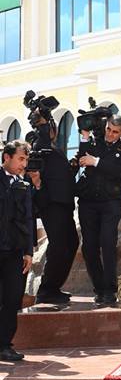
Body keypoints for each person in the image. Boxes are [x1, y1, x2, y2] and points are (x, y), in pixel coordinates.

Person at [76, 116, 121, 307]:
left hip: (110, 204)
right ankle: (99, 289)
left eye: (115, 132)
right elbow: (82, 159)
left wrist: (96, 162)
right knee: (89, 247)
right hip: (88, 202)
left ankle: (110, 290)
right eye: (108, 129)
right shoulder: (95, 143)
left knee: (108, 244)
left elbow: (119, 171)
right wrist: (85, 137)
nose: (110, 134)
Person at [28, 117, 78, 306]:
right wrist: (42, 120)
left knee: (71, 243)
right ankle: (46, 291)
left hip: (64, 204)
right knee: (58, 246)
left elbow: (58, 177)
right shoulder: (42, 146)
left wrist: (72, 169)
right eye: (49, 126)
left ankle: (53, 288)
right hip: (51, 204)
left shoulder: (55, 150)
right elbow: (42, 139)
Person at [0, 140, 34, 361]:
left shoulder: (24, 186)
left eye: (26, 160)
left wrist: (29, 252)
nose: (24, 164)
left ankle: (4, 345)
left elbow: (28, 219)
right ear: (7, 157)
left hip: (14, 252)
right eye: (21, 159)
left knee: (12, 299)